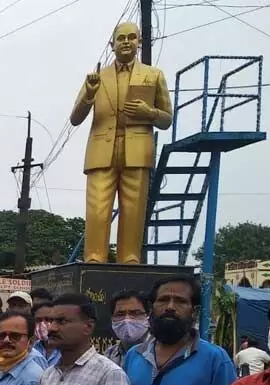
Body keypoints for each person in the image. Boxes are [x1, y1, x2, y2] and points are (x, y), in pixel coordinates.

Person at [71, 22, 172, 264]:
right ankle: (95, 257)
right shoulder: (96, 77)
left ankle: (130, 257)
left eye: (131, 37)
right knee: (97, 209)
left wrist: (149, 112)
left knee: (134, 209)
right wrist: (89, 94)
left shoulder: (153, 75)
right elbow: (75, 118)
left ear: (139, 42)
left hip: (137, 151)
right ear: (112, 44)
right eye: (120, 38)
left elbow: (167, 119)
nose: (125, 42)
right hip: (101, 151)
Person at [32, 302, 61, 367]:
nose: (43, 324)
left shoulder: (66, 350)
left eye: (48, 319)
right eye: (38, 320)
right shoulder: (31, 349)